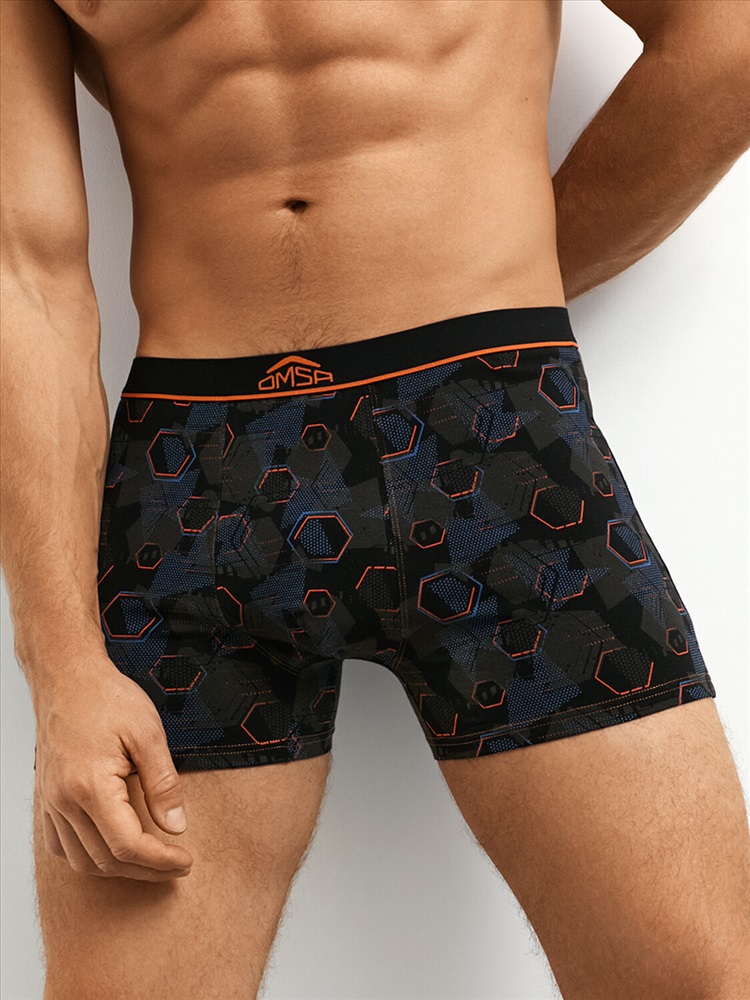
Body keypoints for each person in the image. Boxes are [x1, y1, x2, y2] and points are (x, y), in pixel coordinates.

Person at [1, 0, 749, 996]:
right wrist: (61, 671)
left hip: (485, 429)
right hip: (197, 480)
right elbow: (26, 271)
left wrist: (504, 284)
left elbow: (726, 42)